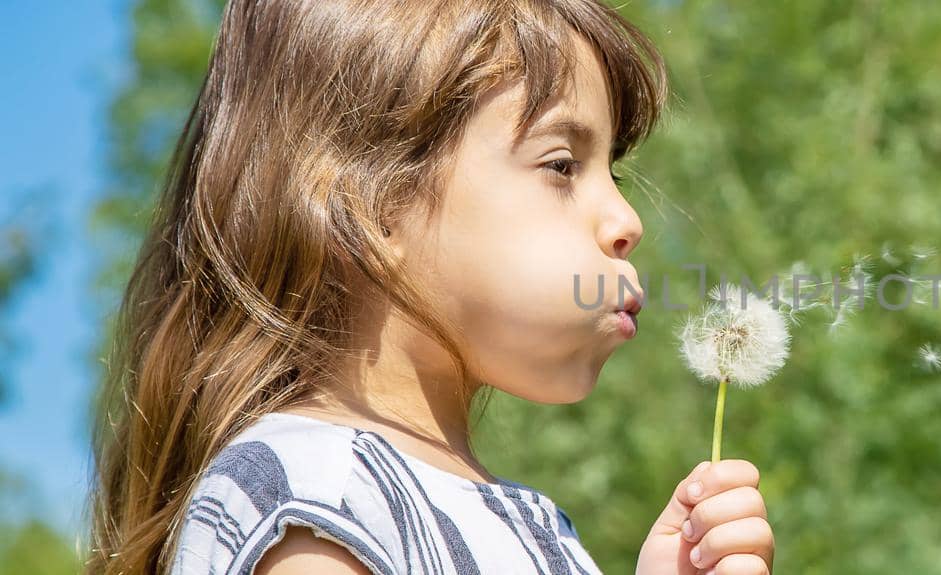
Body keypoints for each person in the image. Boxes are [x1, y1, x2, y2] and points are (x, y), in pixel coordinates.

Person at [86, 1, 774, 573]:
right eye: (563, 165)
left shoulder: (527, 524)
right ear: (371, 206)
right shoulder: (316, 500)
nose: (627, 221)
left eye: (614, 176)